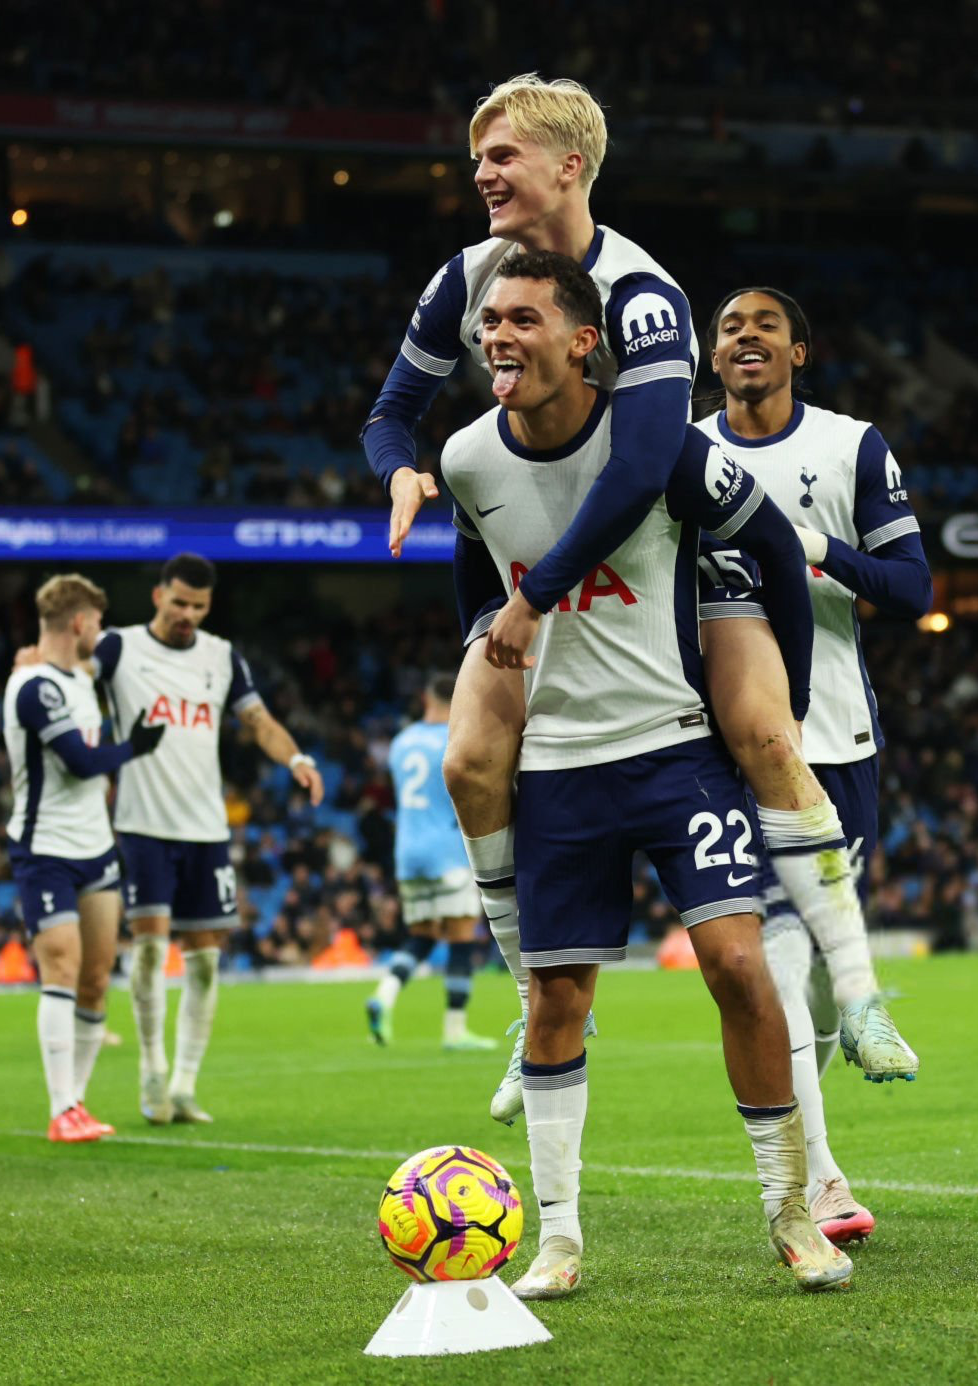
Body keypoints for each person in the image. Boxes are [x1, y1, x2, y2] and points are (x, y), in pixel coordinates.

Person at [361, 72, 907, 1125]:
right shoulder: (462, 278)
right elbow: (394, 412)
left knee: (760, 731)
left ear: (568, 166)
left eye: (501, 155)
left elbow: (647, 459)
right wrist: (398, 472)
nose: (480, 174)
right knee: (470, 760)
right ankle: (536, 1008)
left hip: (674, 537)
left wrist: (538, 596)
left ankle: (866, 994)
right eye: (476, 157)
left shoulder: (640, 290)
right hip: (540, 549)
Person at [442, 250, 851, 1298]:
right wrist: (492, 652)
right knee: (553, 1003)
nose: (497, 335)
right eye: (490, 319)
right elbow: (472, 574)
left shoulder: (655, 449)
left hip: (674, 749)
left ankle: (790, 1212)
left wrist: (786, 700)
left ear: (584, 342)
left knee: (736, 967)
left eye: (523, 319)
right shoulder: (466, 460)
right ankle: (559, 1240)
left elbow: (771, 550)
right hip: (562, 769)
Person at [698, 287, 935, 1242]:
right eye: (727, 328)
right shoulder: (681, 455)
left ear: (801, 349)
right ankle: (823, 1181)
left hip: (835, 742)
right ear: (711, 358)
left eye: (763, 326)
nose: (743, 337)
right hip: (724, 748)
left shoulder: (851, 446)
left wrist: (815, 548)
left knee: (824, 994)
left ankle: (826, 1069)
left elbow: (914, 590)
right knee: (774, 969)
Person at [90, 554, 324, 1125]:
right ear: (157, 596)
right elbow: (71, 684)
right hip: (142, 825)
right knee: (147, 949)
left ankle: (185, 1084)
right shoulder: (117, 648)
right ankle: (150, 1069)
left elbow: (258, 720)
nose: (187, 615)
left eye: (198, 606)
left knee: (204, 963)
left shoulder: (221, 657)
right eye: (179, 603)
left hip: (205, 830)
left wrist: (294, 756)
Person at [5, 574, 168, 1143]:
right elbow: (78, 760)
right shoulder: (34, 688)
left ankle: (77, 1102)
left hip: (95, 848)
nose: (99, 633)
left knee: (96, 979)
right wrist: (134, 749)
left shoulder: (78, 680)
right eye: (95, 622)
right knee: (61, 969)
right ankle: (60, 1107)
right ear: (78, 623)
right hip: (44, 849)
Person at [368, 674, 497, 1051]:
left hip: (408, 851)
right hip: (446, 849)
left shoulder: (400, 743)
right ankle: (455, 1031)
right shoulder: (455, 738)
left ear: (425, 697)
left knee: (422, 936)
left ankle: (384, 996)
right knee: (460, 937)